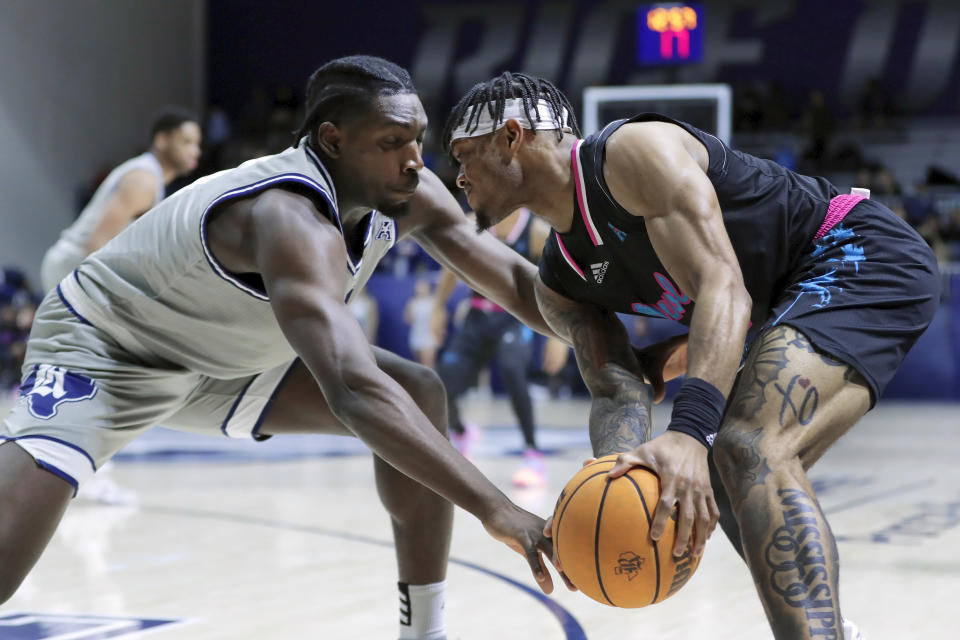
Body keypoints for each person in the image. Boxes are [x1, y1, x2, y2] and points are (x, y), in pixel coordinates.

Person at [0, 57, 562, 640]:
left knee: (419, 391)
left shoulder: (409, 192)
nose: (415, 158)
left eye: (418, 138)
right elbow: (353, 390)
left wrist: (615, 340)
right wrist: (496, 507)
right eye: (393, 141)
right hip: (108, 348)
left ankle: (424, 633)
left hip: (228, 359)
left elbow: (518, 283)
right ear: (333, 141)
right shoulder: (286, 214)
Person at [443, 72, 940, 640]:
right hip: (780, 302)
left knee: (744, 444)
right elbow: (617, 386)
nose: (456, 175)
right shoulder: (561, 281)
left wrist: (687, 433)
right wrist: (617, 483)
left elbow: (723, 288)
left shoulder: (631, 153)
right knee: (724, 476)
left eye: (464, 155)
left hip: (854, 250)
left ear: (512, 137)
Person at [431, 207, 566, 486]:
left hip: (515, 318)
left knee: (512, 368)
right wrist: (438, 308)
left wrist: (557, 335)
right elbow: (450, 268)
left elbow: (560, 281)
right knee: (441, 384)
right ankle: (461, 432)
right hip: (477, 316)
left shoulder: (537, 231)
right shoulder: (472, 224)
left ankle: (532, 454)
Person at [40, 107, 202, 292]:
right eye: (187, 142)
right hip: (72, 265)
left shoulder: (151, 177)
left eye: (198, 144)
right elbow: (98, 241)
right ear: (162, 140)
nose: (195, 151)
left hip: (75, 266)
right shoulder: (143, 180)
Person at [404, 279, 438, 368]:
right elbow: (407, 318)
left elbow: (441, 317)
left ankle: (432, 381)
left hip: (430, 336)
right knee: (419, 364)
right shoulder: (413, 302)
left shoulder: (434, 301)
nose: (421, 289)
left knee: (429, 364)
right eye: (419, 286)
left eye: (423, 286)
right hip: (416, 334)